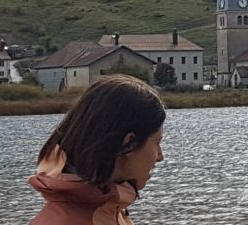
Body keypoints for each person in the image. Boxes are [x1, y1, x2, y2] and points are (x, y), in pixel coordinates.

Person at [29, 76, 167, 225]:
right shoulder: (85, 215)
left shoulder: (104, 209)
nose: (160, 156)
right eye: (157, 143)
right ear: (129, 143)